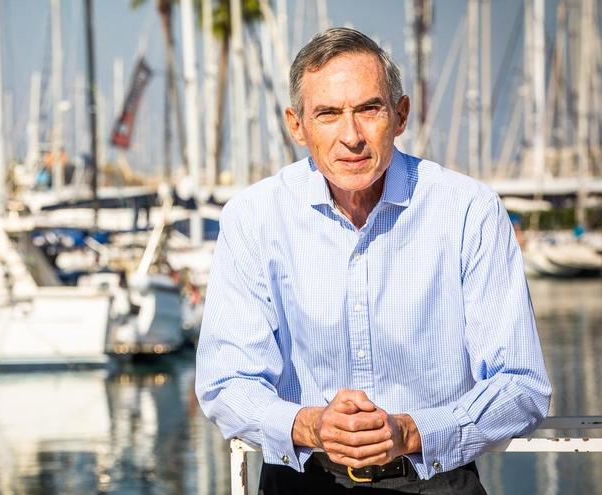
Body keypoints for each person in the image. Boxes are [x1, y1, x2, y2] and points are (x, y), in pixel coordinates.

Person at [194, 27, 550, 494]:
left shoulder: (468, 211)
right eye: (328, 114)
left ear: (400, 115)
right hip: (301, 479)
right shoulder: (253, 217)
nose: (352, 136)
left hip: (435, 479)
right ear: (296, 125)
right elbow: (227, 380)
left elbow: (521, 385)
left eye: (368, 109)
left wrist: (412, 431)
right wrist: (309, 425)